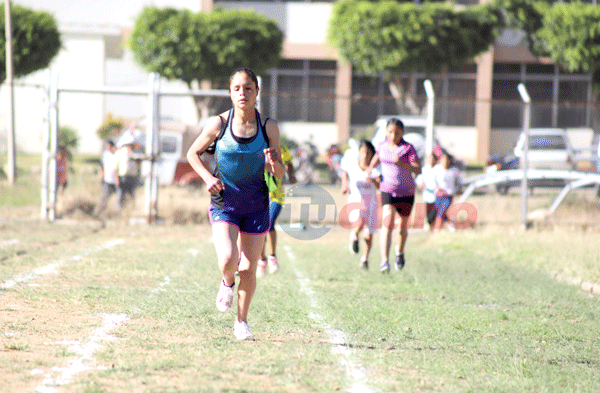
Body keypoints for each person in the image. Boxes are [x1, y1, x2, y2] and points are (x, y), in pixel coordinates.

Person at [186, 68, 284, 341]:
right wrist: (207, 177)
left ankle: (242, 322)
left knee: (249, 268)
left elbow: (279, 173)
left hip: (256, 204)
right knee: (228, 260)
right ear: (230, 92)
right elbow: (192, 153)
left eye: (248, 88)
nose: (242, 93)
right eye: (237, 88)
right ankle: (226, 282)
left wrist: (274, 161)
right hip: (224, 202)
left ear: (257, 92)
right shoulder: (218, 124)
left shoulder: (269, 127)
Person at [367, 118, 421, 273]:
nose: (393, 135)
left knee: (402, 228)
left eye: (397, 132)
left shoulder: (407, 148)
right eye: (390, 132)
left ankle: (400, 252)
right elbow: (377, 158)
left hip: (406, 192)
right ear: (386, 132)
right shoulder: (382, 146)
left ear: (402, 133)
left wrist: (402, 164)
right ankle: (384, 261)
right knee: (387, 223)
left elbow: (418, 169)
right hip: (387, 190)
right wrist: (370, 169)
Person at [341, 139, 382, 270]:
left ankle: (365, 258)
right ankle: (354, 236)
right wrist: (345, 185)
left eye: (368, 153)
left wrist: (373, 181)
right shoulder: (353, 166)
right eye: (363, 152)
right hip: (356, 201)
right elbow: (345, 173)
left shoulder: (375, 170)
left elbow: (380, 186)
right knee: (359, 222)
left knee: (369, 234)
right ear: (359, 153)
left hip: (371, 203)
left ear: (372, 155)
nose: (365, 155)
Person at [257, 144, 296, 277]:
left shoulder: (279, 147)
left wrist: (291, 176)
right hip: (258, 195)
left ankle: (272, 257)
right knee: (259, 227)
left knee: (269, 222)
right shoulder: (254, 145)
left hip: (276, 195)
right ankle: (262, 260)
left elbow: (288, 163)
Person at [432, 152, 462, 231]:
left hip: (448, 195)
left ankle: (439, 229)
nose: (444, 161)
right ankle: (443, 227)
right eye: (442, 159)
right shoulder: (437, 169)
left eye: (446, 159)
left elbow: (459, 182)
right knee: (440, 213)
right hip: (439, 195)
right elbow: (431, 180)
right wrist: (436, 186)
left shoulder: (454, 170)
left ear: (449, 160)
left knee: (443, 212)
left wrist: (459, 189)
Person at [114, 133, 139, 211]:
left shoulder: (133, 153)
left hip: (131, 177)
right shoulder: (120, 152)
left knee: (131, 196)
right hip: (123, 177)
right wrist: (117, 179)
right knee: (121, 196)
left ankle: (131, 210)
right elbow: (115, 168)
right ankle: (119, 211)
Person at [416, 153, 438, 230]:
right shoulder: (424, 169)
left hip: (437, 195)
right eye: (429, 158)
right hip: (427, 194)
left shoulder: (438, 169)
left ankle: (434, 225)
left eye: (432, 159)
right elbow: (419, 181)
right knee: (428, 211)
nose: (431, 160)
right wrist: (420, 185)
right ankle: (429, 224)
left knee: (435, 211)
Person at [95, 140, 117, 216]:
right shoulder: (105, 154)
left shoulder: (116, 154)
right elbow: (101, 165)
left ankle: (114, 213)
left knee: (116, 198)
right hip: (107, 179)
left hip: (116, 180)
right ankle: (99, 213)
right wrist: (101, 173)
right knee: (105, 197)